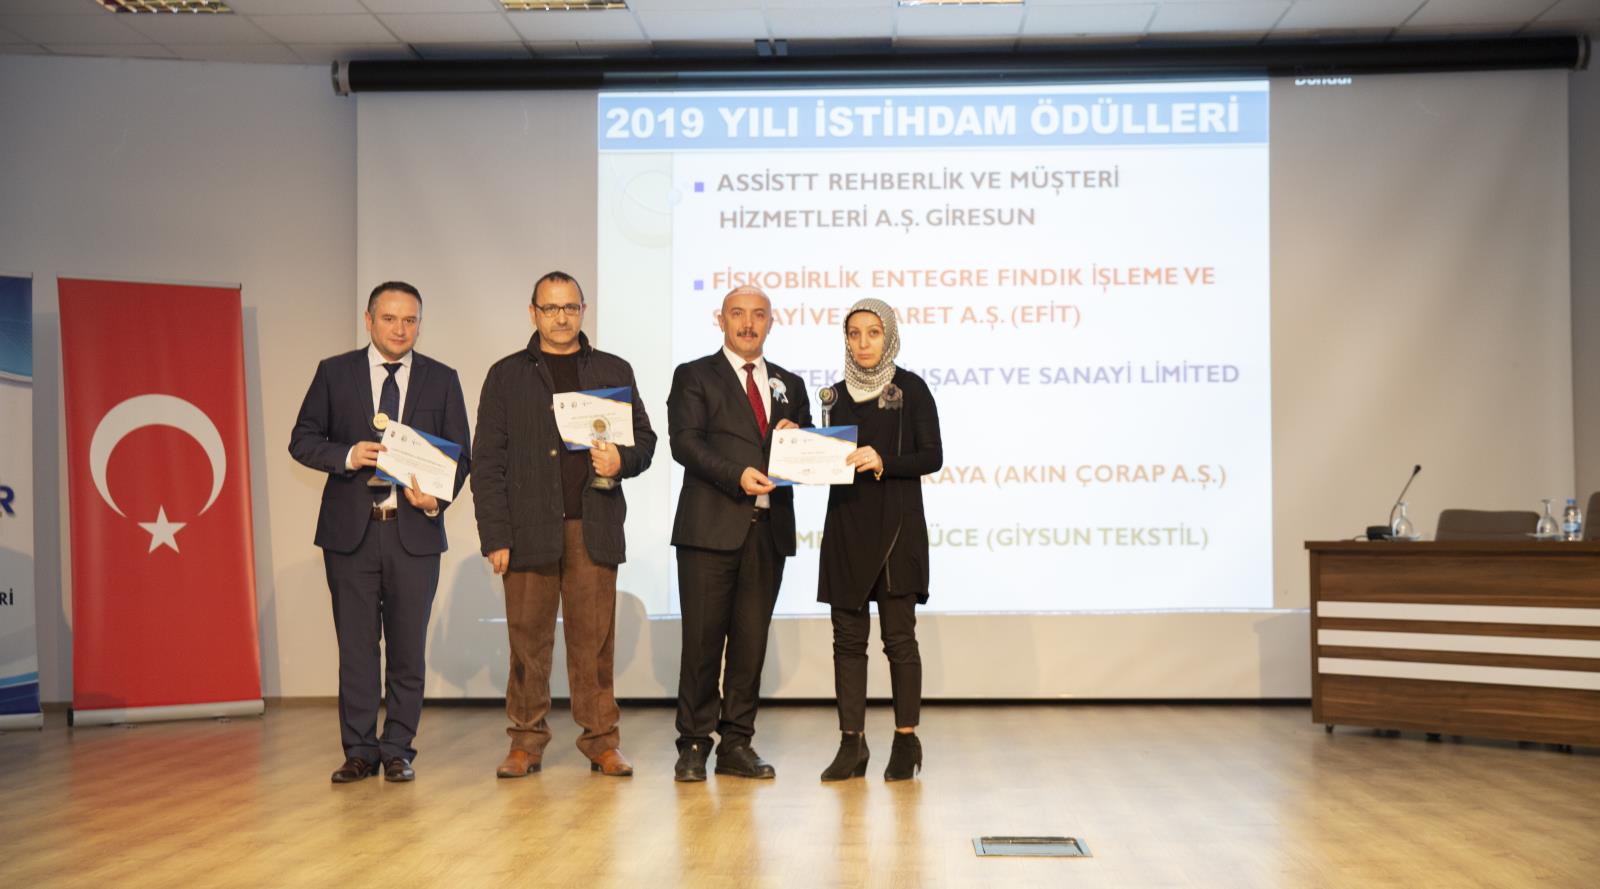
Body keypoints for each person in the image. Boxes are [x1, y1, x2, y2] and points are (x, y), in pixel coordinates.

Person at [472, 271, 656, 779]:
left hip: (592, 527)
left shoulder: (612, 370)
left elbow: (644, 442)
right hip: (527, 530)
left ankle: (601, 741)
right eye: (551, 308)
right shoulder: (506, 375)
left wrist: (621, 459)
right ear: (533, 313)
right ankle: (525, 742)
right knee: (527, 642)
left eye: (570, 307)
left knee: (593, 643)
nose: (561, 317)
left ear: (583, 311)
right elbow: (487, 462)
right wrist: (496, 536)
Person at [289, 281, 471, 783]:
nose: (400, 329)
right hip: (351, 535)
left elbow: (461, 455)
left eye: (410, 320)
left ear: (420, 324)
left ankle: (398, 749)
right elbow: (302, 440)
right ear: (368, 320)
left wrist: (437, 499)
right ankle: (359, 750)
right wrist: (348, 455)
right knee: (357, 649)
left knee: (408, 650)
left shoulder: (442, 378)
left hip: (414, 534)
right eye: (389, 318)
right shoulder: (334, 372)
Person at [667, 285, 811, 781]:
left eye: (758, 315)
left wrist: (801, 438)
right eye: (737, 314)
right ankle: (692, 744)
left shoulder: (791, 383)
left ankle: (736, 743)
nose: (748, 324)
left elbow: (806, 452)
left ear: (771, 321)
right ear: (721, 319)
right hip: (709, 529)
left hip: (768, 531)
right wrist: (736, 475)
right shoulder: (693, 375)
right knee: (702, 644)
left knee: (750, 645)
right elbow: (685, 443)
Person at [816, 298, 941, 782]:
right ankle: (852, 744)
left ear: (889, 336)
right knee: (847, 642)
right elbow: (822, 458)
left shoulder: (910, 389)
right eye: (854, 333)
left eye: (873, 332)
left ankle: (906, 740)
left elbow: (932, 456)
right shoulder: (833, 396)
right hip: (846, 526)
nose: (863, 342)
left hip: (896, 530)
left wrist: (884, 460)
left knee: (898, 640)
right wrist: (795, 441)